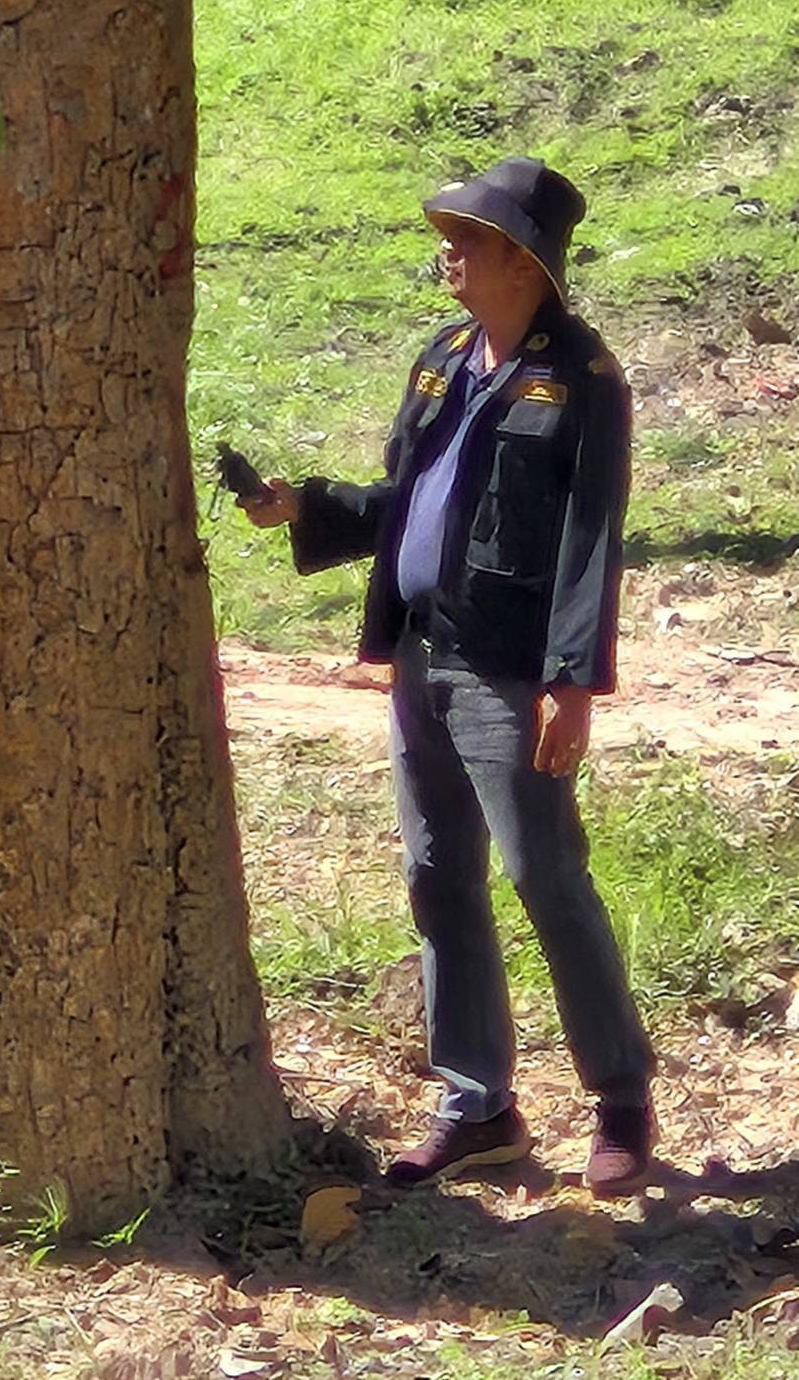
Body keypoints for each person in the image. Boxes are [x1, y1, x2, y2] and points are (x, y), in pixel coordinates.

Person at [241, 157, 657, 1197]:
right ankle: (478, 1107)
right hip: (422, 651)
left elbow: (590, 538)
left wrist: (571, 680)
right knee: (436, 875)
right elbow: (406, 500)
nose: (449, 253)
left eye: (470, 239)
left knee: (544, 875)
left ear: (523, 263)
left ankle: (621, 1099)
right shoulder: (442, 359)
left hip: (509, 670)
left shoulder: (583, 380)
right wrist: (307, 507)